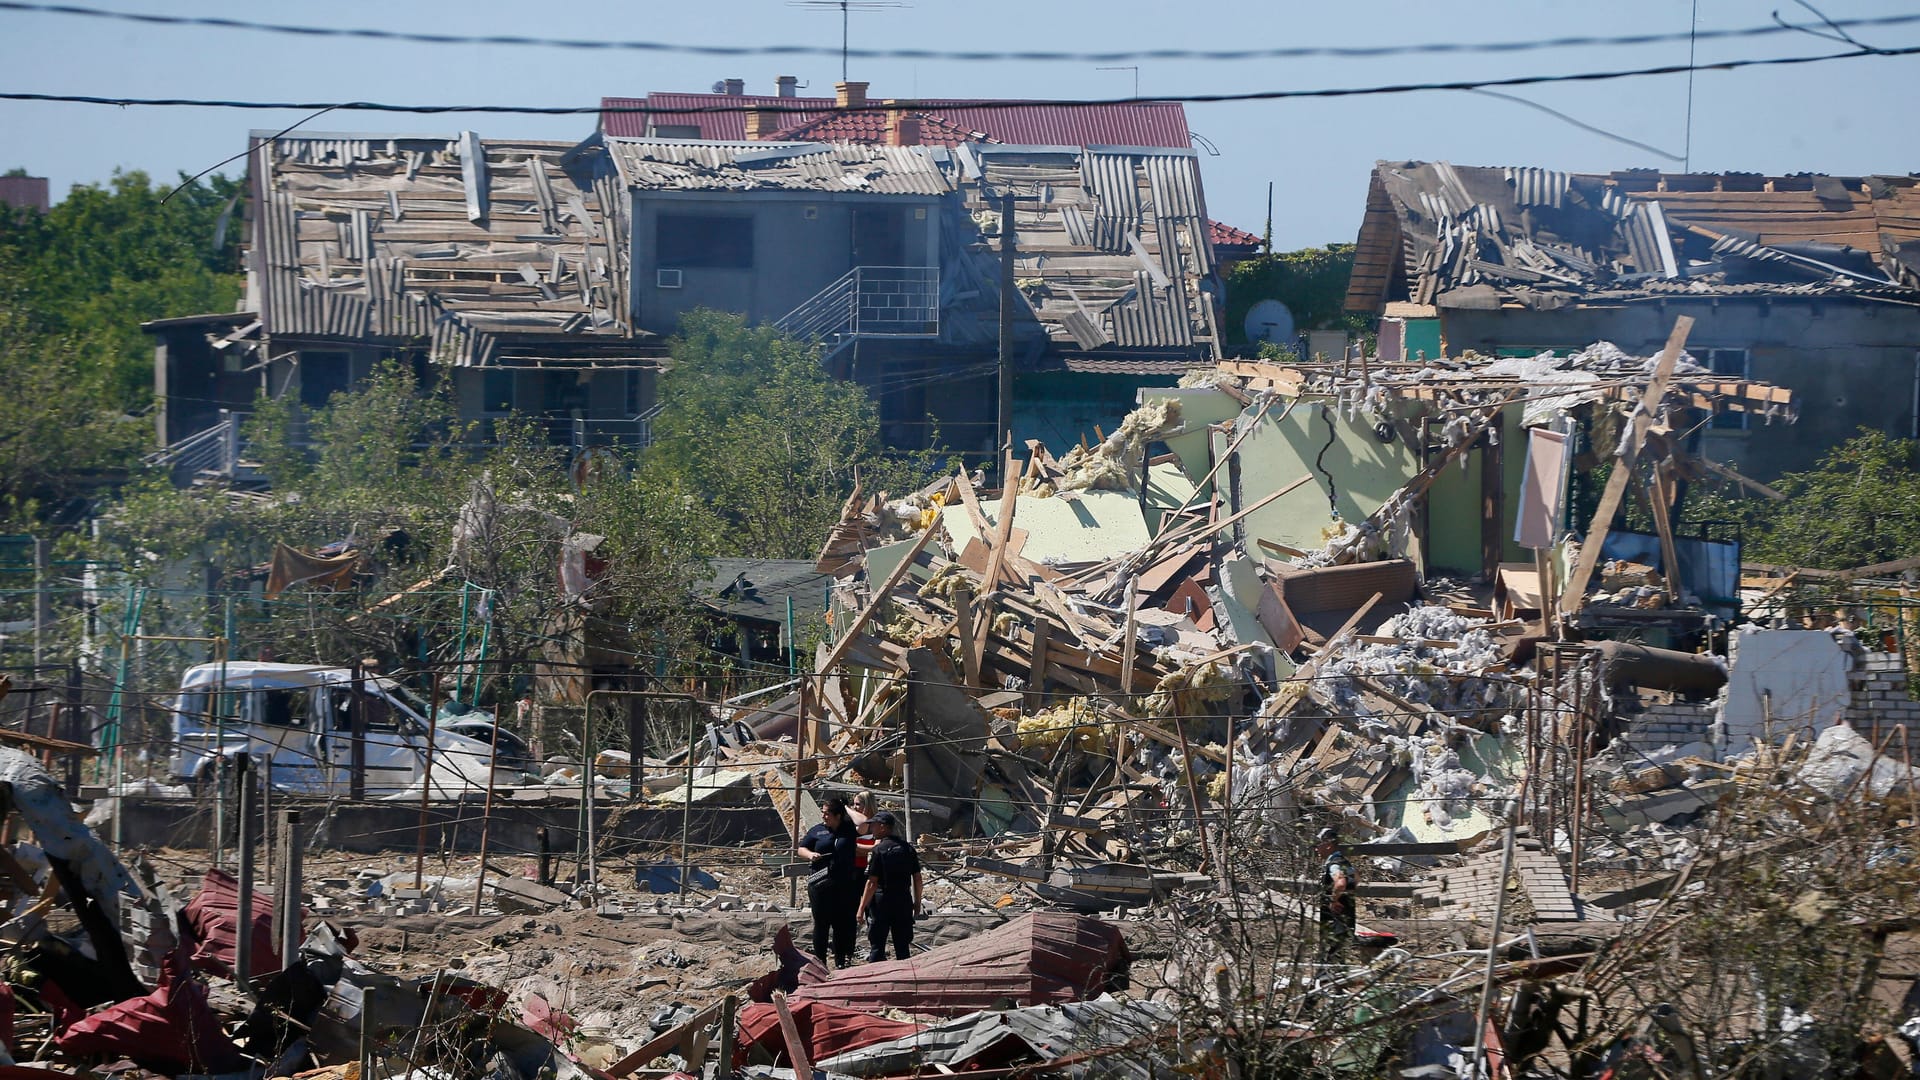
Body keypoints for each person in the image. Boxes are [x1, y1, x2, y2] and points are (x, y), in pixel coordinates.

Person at [794, 797, 860, 967]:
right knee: (821, 925)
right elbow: (801, 848)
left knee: (841, 924)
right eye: (822, 813)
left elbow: (864, 822)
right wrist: (811, 855)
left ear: (838, 815)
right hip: (820, 882)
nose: (823, 816)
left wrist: (846, 808)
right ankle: (820, 962)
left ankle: (840, 961)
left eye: (827, 813)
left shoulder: (849, 829)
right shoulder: (817, 831)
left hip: (843, 883)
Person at [855, 811, 922, 962]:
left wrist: (861, 908)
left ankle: (875, 980)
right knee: (903, 949)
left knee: (877, 947)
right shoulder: (908, 849)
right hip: (903, 901)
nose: (872, 828)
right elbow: (917, 879)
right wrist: (917, 903)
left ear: (883, 827)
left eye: (874, 825)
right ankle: (904, 980)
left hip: (882, 902)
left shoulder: (879, 850)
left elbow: (872, 882)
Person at [1316, 827, 1357, 960]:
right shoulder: (1344, 861)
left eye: (1319, 844)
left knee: (1331, 954)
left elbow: (1340, 883)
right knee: (1340, 954)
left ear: (1328, 845)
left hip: (1335, 919)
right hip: (1347, 915)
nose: (1316, 848)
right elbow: (1357, 878)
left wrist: (1334, 900)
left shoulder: (1334, 864)